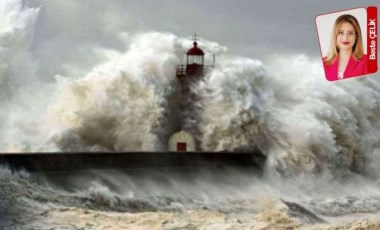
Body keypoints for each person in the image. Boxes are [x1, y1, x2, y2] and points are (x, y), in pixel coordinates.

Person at [323, 14, 368, 81]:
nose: (345, 37)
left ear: (356, 36)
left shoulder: (367, 61)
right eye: (341, 33)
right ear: (335, 35)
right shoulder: (323, 63)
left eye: (350, 33)